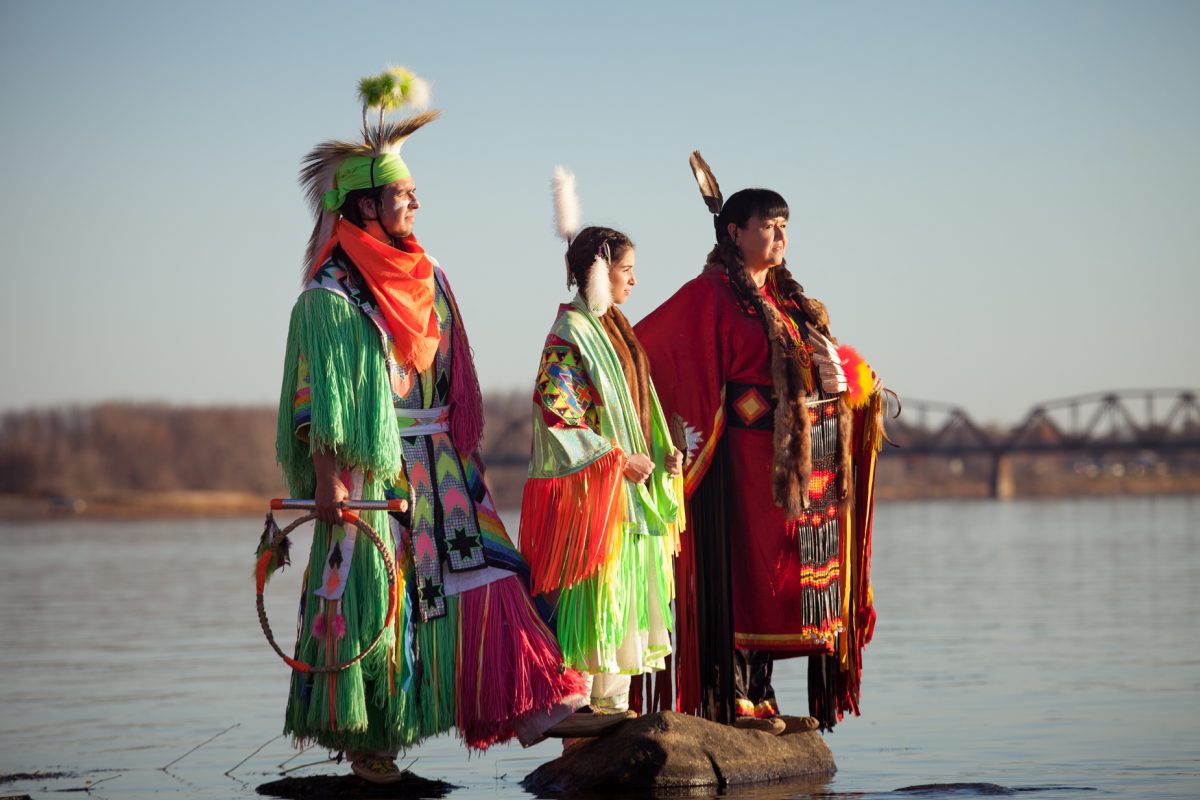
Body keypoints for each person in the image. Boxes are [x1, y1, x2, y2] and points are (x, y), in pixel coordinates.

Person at [273, 70, 590, 784]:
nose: (415, 199)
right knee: (376, 605)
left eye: (414, 190)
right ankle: (371, 743)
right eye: (399, 192)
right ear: (363, 204)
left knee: (488, 577)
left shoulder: (431, 275)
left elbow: (452, 379)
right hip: (372, 470)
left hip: (442, 462)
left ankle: (537, 701)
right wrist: (328, 484)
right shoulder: (330, 298)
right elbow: (321, 405)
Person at [634, 152, 887, 734]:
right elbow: (650, 348)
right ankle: (735, 701)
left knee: (780, 577)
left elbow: (824, 368)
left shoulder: (792, 301)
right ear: (734, 232)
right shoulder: (711, 295)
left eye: (783, 226)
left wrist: (848, 387)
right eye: (767, 226)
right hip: (738, 464)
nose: (779, 236)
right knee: (742, 576)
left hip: (797, 467)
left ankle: (764, 697)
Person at [519, 168, 684, 728]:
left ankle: (612, 705)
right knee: (596, 596)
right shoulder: (570, 333)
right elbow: (557, 414)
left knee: (626, 596)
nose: (634, 282)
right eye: (626, 270)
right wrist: (614, 458)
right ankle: (579, 706)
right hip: (597, 492)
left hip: (629, 490)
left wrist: (663, 450)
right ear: (598, 270)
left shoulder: (617, 328)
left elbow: (644, 407)